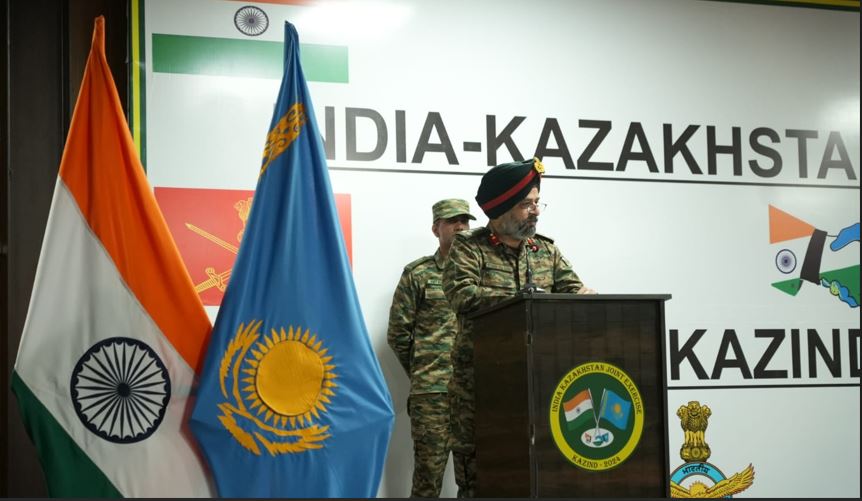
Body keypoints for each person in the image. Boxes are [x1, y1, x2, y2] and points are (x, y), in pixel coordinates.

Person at [442, 158, 595, 497]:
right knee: (480, 482)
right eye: (527, 204)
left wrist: (586, 300)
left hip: (541, 388)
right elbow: (462, 295)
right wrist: (525, 299)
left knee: (539, 476)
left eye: (537, 202)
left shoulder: (546, 251)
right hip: (481, 388)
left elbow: (574, 293)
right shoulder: (469, 247)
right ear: (500, 208)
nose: (536, 211)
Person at [387, 198, 477, 497]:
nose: (461, 227)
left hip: (476, 392)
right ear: (436, 229)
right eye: (452, 221)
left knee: (476, 478)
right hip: (433, 394)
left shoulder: (484, 272)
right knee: (428, 477)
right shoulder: (418, 273)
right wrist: (424, 371)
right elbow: (398, 333)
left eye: (465, 220)